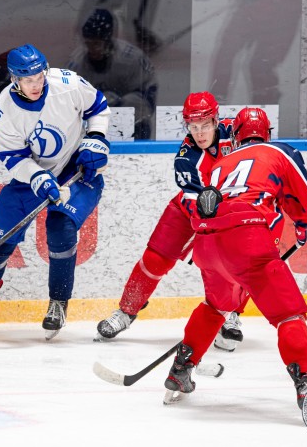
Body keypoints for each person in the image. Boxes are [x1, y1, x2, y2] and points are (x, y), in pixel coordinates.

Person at [0, 43, 111, 340]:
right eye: (28, 80)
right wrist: (38, 178)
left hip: (76, 168)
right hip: (31, 173)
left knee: (60, 228)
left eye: (39, 77)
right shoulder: (3, 113)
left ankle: (58, 304)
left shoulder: (67, 84)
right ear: (14, 79)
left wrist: (97, 138)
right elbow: (15, 160)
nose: (36, 85)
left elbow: (98, 107)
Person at [162, 107, 307, 417]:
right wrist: (302, 223)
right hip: (247, 241)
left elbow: (216, 203)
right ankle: (306, 383)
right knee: (288, 315)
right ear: (267, 133)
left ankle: (181, 369)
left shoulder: (222, 163)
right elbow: (302, 197)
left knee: (215, 305)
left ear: (236, 136)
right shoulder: (281, 151)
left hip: (208, 243)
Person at [95, 91, 248, 351]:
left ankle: (230, 315)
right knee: (155, 259)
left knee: (244, 259)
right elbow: (198, 205)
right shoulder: (186, 158)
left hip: (235, 212)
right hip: (192, 209)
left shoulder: (236, 133)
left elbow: (261, 146)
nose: (199, 133)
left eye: (205, 125)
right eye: (193, 127)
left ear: (215, 120)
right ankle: (126, 311)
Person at [67, 8, 157, 140]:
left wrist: (120, 104)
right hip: (93, 128)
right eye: (88, 43)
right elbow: (70, 106)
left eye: (97, 43)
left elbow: (148, 102)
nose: (92, 49)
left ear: (108, 40)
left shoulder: (133, 60)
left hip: (134, 127)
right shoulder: (77, 63)